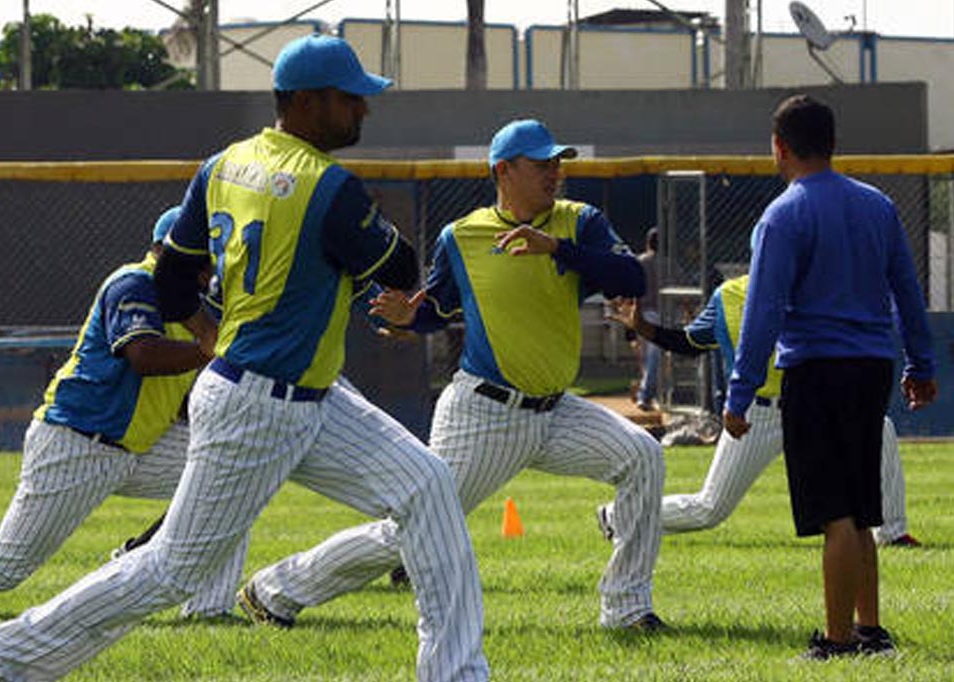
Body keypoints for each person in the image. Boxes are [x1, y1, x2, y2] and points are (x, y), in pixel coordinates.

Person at [0, 34, 489, 682]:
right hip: (258, 403)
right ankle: (0, 658)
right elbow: (398, 266)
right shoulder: (329, 184)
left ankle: (456, 674)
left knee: (425, 485)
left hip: (301, 392)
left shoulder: (223, 164)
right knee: (174, 569)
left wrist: (210, 336)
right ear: (309, 102)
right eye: (351, 99)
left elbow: (173, 279)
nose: (363, 112)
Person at [237, 118, 667, 632]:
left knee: (643, 456)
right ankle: (274, 591)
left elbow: (630, 276)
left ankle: (625, 608)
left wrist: (557, 249)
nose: (554, 173)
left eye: (558, 162)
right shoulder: (461, 236)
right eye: (541, 163)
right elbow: (435, 310)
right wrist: (406, 317)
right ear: (503, 170)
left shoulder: (580, 222)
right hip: (484, 414)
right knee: (412, 527)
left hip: (556, 410)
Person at [0, 207, 243, 620]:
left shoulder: (194, 303)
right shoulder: (135, 282)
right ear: (170, 251)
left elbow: (175, 385)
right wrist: (211, 348)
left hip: (136, 443)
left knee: (235, 477)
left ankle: (208, 610)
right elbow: (142, 355)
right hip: (80, 440)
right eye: (204, 254)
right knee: (2, 567)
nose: (211, 266)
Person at [723, 94, 936, 660]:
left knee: (835, 512)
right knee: (862, 508)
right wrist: (922, 362)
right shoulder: (878, 206)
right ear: (834, 144)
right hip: (872, 368)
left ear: (779, 147)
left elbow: (764, 311)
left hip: (816, 369)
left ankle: (838, 641)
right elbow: (907, 292)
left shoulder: (782, 215)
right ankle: (871, 629)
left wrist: (740, 393)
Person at [599, 278, 921, 547]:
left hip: (813, 403)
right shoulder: (729, 295)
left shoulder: (815, 286)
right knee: (710, 508)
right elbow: (691, 342)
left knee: (881, 428)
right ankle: (617, 516)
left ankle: (891, 533)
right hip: (756, 413)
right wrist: (643, 327)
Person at [634, 226, 660, 411]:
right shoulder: (669, 262)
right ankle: (649, 394)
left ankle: (646, 395)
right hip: (664, 314)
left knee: (648, 357)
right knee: (653, 357)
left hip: (644, 313)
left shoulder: (640, 261)